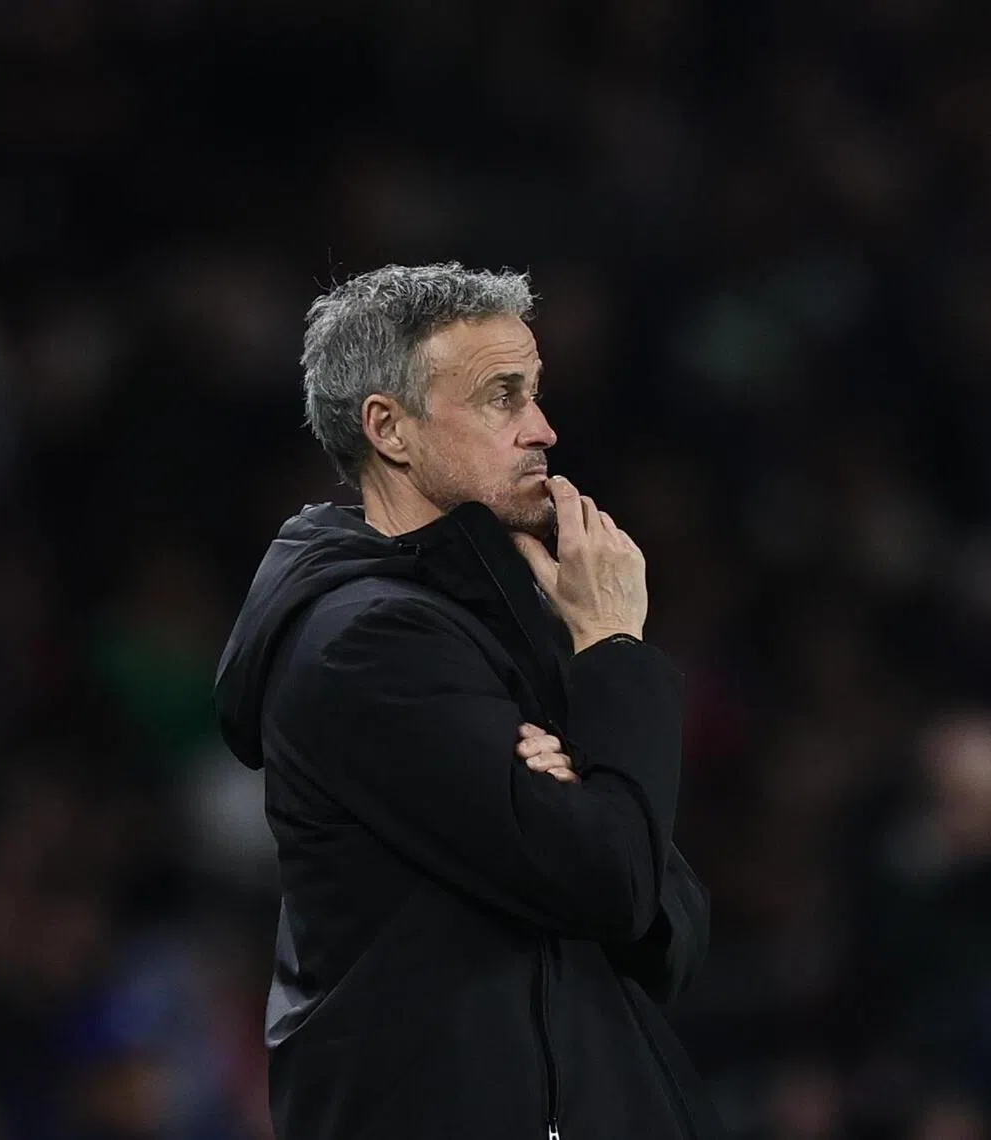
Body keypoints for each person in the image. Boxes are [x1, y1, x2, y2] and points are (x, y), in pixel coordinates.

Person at [214, 263, 717, 1139]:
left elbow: (670, 924)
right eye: (502, 397)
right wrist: (611, 649)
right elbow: (615, 880)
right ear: (389, 428)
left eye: (537, 395)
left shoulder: (492, 629)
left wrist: (595, 821)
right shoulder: (363, 645)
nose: (544, 430)